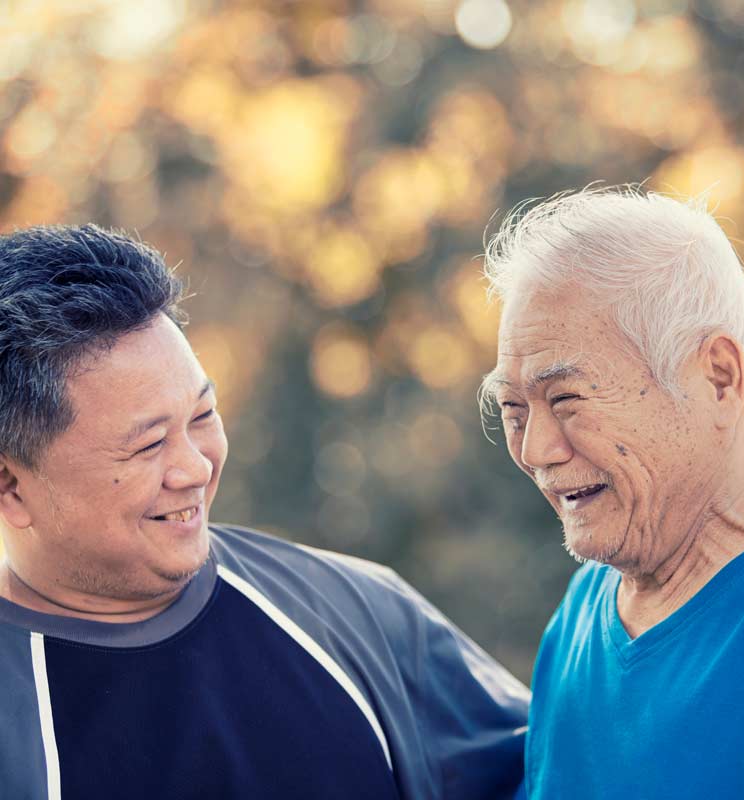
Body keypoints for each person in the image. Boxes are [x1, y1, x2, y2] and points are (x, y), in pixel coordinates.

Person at [0, 224, 528, 800]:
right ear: (10, 486)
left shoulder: (354, 614)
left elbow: (565, 769)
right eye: (149, 445)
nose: (196, 467)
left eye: (202, 417)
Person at [480, 186, 744, 799]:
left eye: (567, 399)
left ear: (717, 378)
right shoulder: (581, 610)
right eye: (514, 408)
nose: (535, 449)